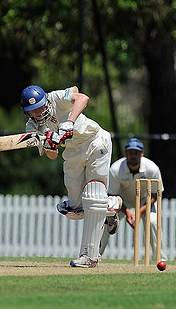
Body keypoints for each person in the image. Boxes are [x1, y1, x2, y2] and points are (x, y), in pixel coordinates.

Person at [20, 85, 118, 268]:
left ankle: (89, 256)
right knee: (76, 210)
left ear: (45, 102)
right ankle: (111, 206)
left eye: (40, 107)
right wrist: (50, 144)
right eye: (32, 111)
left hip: (95, 141)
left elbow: (83, 98)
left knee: (93, 195)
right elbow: (52, 156)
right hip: (72, 153)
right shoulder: (32, 127)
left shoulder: (55, 97)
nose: (38, 113)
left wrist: (69, 121)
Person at [100, 138, 167, 261]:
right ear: (126, 153)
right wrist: (128, 212)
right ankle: (96, 255)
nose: (133, 156)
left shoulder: (152, 169)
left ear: (142, 154)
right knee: (107, 221)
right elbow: (112, 195)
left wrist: (140, 212)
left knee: (152, 221)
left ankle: (159, 258)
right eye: (131, 152)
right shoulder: (116, 169)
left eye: (136, 153)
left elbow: (154, 195)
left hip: (144, 201)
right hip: (120, 201)